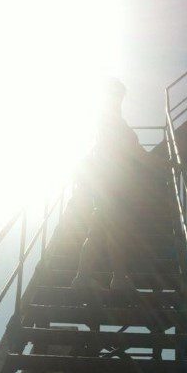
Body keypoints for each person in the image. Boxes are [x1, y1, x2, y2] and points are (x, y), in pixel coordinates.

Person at [71, 78, 148, 291]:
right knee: (116, 231)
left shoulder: (106, 119)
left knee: (98, 229)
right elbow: (132, 151)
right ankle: (118, 279)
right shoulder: (111, 121)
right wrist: (163, 164)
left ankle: (83, 277)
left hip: (106, 181)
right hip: (114, 183)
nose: (120, 100)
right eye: (118, 95)